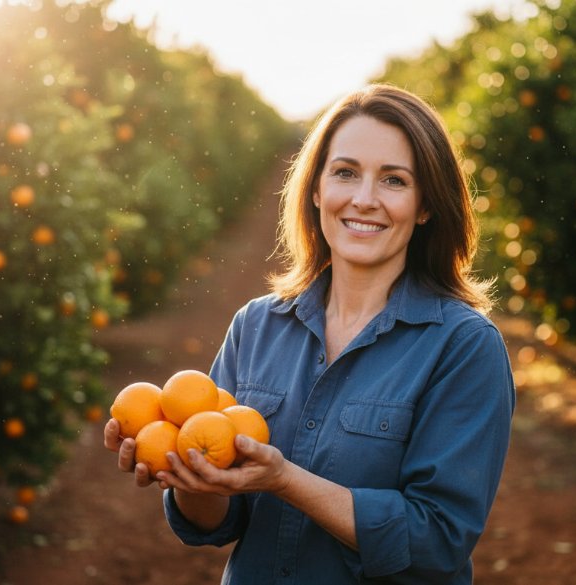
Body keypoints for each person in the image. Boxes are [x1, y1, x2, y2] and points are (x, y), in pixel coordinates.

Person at [104, 83, 515, 584]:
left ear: (426, 204)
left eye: (394, 180)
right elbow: (219, 522)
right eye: (346, 173)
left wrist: (285, 480)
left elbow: (437, 540)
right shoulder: (256, 326)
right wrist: (190, 477)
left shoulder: (463, 346)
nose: (364, 200)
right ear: (316, 189)